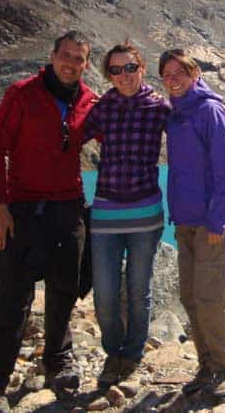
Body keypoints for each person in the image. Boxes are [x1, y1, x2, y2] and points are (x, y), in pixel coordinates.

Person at [0, 31, 98, 413]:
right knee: (12, 297)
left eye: (78, 58)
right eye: (65, 55)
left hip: (69, 209)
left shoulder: (89, 101)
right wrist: (1, 206)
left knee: (64, 290)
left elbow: (115, 140)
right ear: (52, 56)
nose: (70, 63)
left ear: (85, 64)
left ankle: (57, 362)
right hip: (24, 211)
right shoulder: (22, 93)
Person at [83, 42, 171, 387]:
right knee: (104, 292)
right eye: (116, 70)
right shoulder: (103, 107)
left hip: (145, 213)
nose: (124, 76)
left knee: (139, 288)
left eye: (129, 67)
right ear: (109, 74)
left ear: (142, 68)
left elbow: (190, 136)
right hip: (105, 213)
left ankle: (131, 354)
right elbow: (72, 135)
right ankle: (112, 350)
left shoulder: (158, 108)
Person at [159, 48, 225, 398]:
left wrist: (217, 220)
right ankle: (206, 364)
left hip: (212, 225)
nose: (173, 79)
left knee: (211, 298)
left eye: (180, 72)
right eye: (167, 74)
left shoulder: (210, 110)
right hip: (186, 224)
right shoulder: (176, 114)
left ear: (195, 74)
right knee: (191, 297)